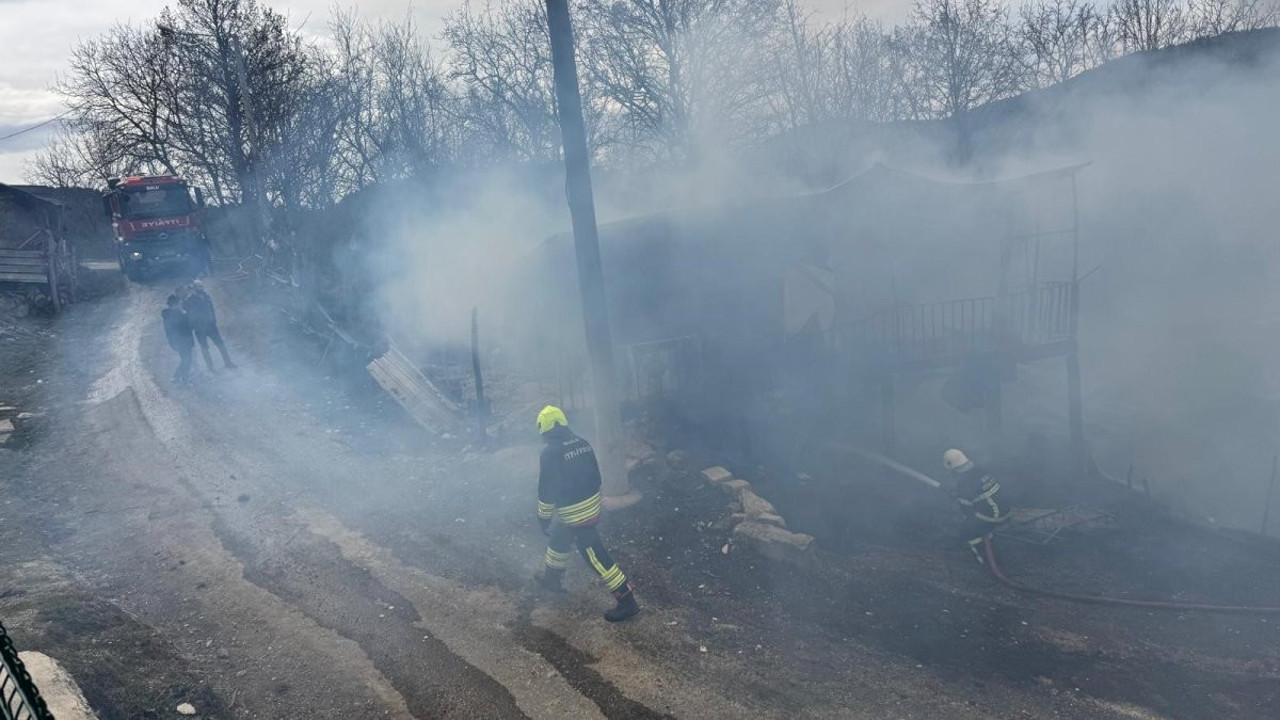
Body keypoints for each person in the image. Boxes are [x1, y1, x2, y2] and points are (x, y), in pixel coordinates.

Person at [536, 405, 640, 622]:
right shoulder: (582, 443)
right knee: (559, 534)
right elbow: (596, 474)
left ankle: (627, 600)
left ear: (544, 429)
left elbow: (547, 490)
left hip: (576, 513)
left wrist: (543, 517)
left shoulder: (550, 452)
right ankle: (552, 578)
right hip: (592, 504)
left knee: (594, 554)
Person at [942, 448, 1009, 563]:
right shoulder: (980, 470)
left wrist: (956, 496)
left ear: (951, 467)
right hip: (1006, 509)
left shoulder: (963, 483)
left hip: (993, 515)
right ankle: (989, 539)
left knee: (967, 531)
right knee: (980, 524)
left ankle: (985, 559)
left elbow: (967, 510)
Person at [182, 280, 236, 371]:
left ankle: (228, 362)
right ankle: (211, 367)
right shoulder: (190, 300)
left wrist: (214, 320)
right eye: (199, 287)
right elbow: (189, 313)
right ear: (195, 288)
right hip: (200, 328)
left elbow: (211, 309)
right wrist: (196, 325)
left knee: (220, 344)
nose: (201, 289)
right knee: (205, 348)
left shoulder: (206, 296)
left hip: (211, 325)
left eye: (201, 287)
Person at [161, 294, 195, 384]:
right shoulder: (178, 314)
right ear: (175, 303)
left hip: (179, 341)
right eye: (179, 303)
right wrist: (186, 314)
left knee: (186, 359)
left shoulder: (168, 314)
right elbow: (188, 326)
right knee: (187, 359)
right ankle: (181, 378)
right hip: (183, 341)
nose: (180, 304)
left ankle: (180, 377)